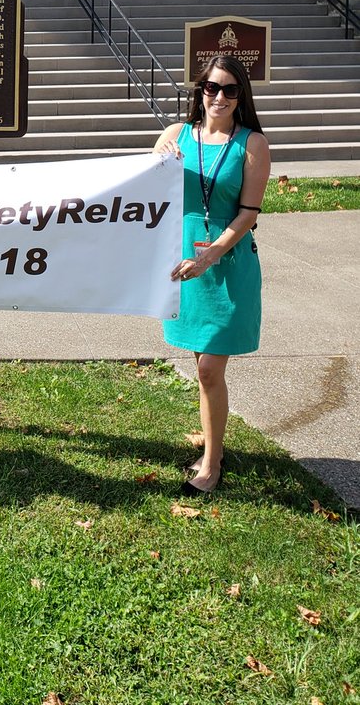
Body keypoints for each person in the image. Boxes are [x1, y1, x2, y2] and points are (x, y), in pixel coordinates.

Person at [154, 55, 270, 495]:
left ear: (241, 97)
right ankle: (212, 436)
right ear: (198, 91)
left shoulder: (252, 144)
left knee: (208, 368)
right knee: (200, 361)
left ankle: (213, 461)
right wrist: (159, 161)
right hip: (180, 263)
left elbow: (248, 214)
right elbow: (146, 195)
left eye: (230, 90)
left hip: (227, 264)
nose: (219, 97)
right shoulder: (175, 135)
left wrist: (211, 255)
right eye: (211, 88)